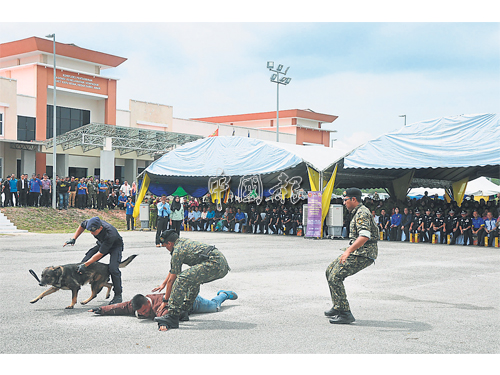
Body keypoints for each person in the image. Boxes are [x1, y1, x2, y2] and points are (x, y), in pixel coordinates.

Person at [152, 229, 230, 330]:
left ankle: (173, 315)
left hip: (215, 263)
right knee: (192, 279)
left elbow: (172, 279)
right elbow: (173, 271)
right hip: (221, 264)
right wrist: (163, 284)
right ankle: (184, 310)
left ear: (170, 243)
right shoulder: (182, 243)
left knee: (182, 279)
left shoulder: (177, 251)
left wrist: (165, 301)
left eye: (166, 246)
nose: (166, 248)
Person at [325, 188, 378, 324]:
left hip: (364, 253)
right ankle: (338, 306)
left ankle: (345, 313)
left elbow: (365, 236)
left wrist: (348, 251)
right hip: (358, 251)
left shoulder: (362, 213)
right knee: (329, 271)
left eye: (345, 200)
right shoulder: (358, 211)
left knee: (335, 276)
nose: (344, 203)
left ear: (353, 199)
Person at [87, 290, 238, 330]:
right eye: (141, 313)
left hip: (192, 302)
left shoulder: (159, 303)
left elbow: (165, 312)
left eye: (145, 311)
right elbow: (121, 306)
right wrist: (101, 309)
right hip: (183, 307)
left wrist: (163, 324)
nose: (145, 314)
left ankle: (224, 294)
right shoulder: (138, 303)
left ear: (148, 302)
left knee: (214, 307)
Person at [64, 216, 124, 304]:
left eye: (93, 231)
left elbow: (100, 254)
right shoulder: (91, 223)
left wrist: (86, 265)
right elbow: (82, 225)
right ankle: (86, 281)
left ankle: (118, 295)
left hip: (115, 247)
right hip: (102, 244)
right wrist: (74, 238)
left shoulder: (110, 233)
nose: (92, 233)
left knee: (113, 269)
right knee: (83, 262)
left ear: (100, 228)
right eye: (90, 231)